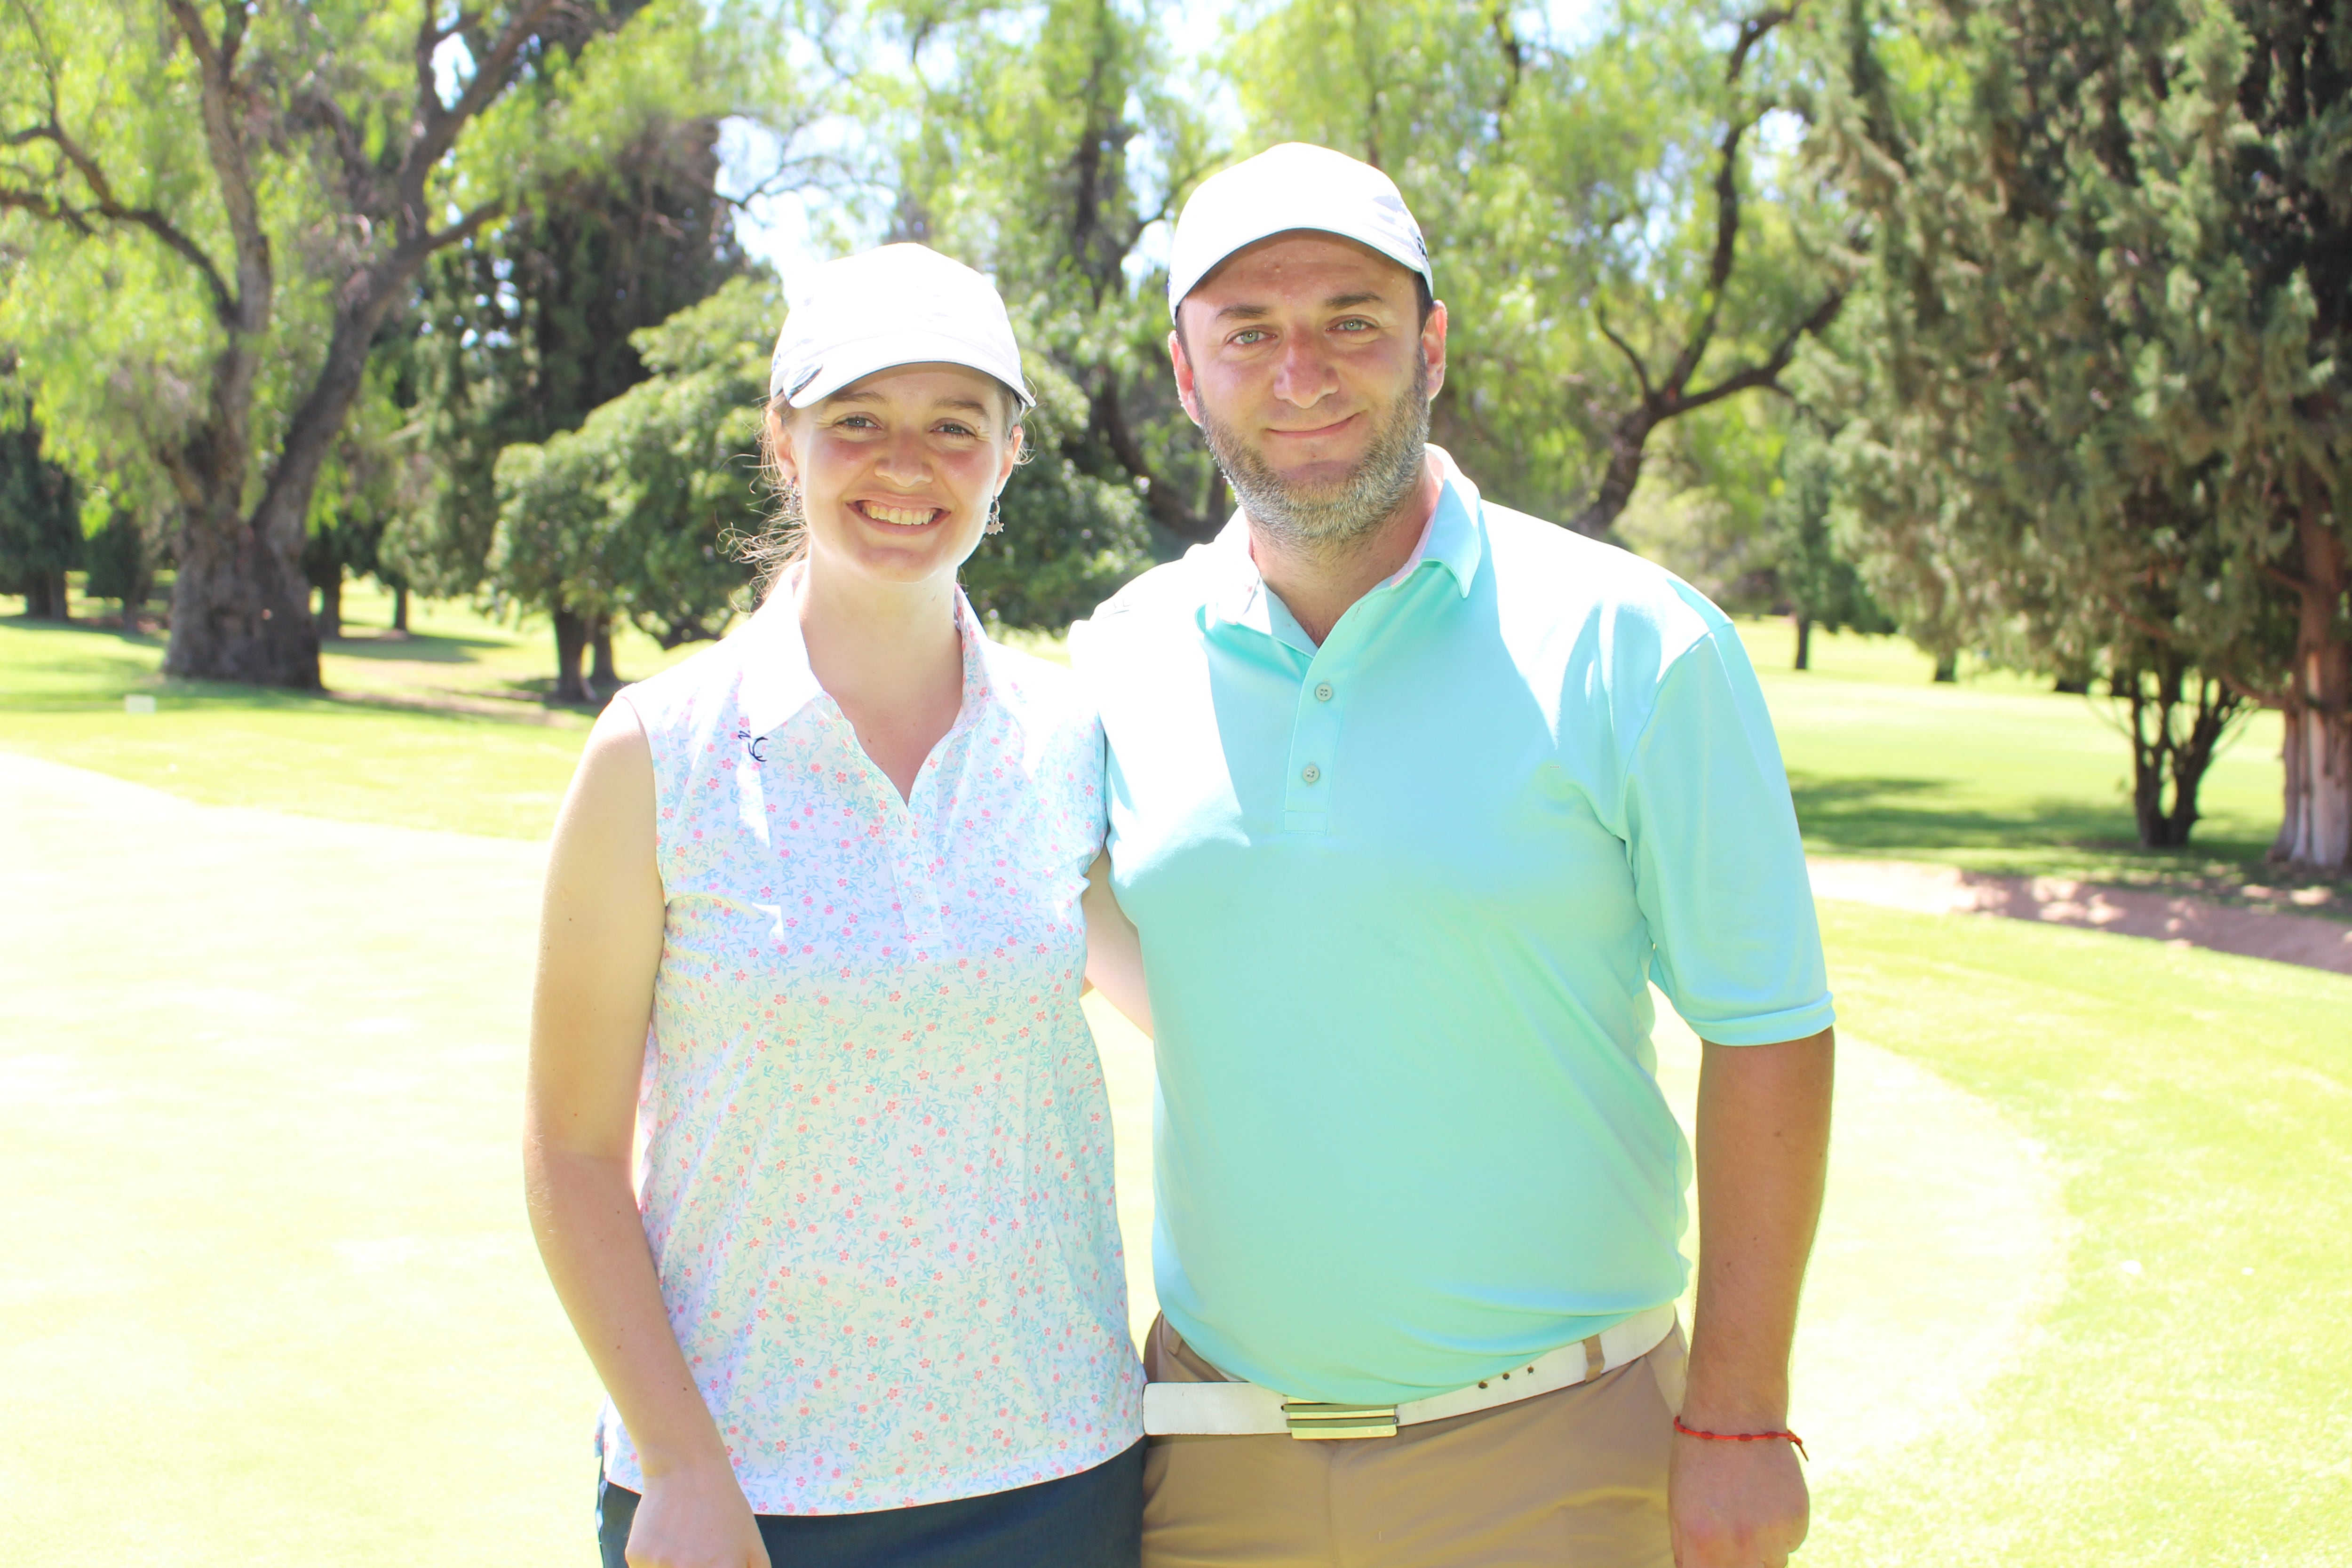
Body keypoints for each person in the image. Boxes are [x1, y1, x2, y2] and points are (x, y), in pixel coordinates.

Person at [1068, 144, 1837, 1568]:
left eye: (1351, 320)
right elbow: (1102, 936)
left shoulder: (1639, 642)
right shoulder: (1116, 658)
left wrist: (1740, 1417)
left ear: (1430, 343)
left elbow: (1771, 1024)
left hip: (1560, 1456)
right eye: (1248, 332)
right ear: (1186, 374)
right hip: (1211, 1460)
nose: (1302, 371)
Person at [524, 242, 1145, 1568]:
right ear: (783, 439)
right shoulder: (658, 753)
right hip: (744, 1496)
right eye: (857, 421)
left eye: (952, 428)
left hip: (1056, 1473)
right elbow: (569, 1153)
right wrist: (685, 1467)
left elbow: (1204, 1007)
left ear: (1009, 456)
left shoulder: (1072, 739)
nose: (904, 467)